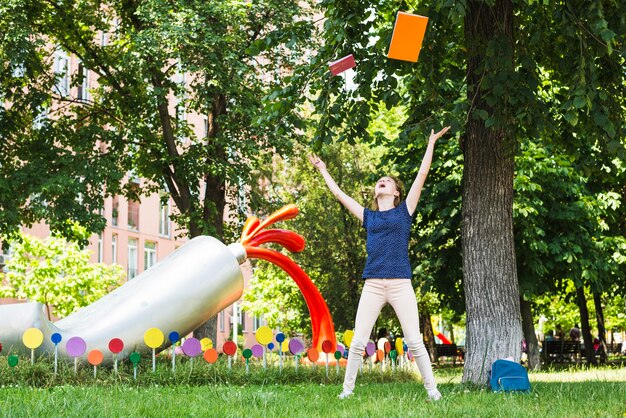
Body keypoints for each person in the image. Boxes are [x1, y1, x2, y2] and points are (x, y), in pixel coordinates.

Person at [309, 126, 450, 401]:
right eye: (379, 181)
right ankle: (346, 391)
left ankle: (433, 391)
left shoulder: (405, 210)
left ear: (397, 192)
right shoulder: (368, 217)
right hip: (373, 284)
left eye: (388, 181)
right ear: (377, 193)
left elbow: (422, 175)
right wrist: (323, 169)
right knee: (359, 341)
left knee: (415, 340)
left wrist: (431, 142)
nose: (381, 182)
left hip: (400, 283)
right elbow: (340, 195)